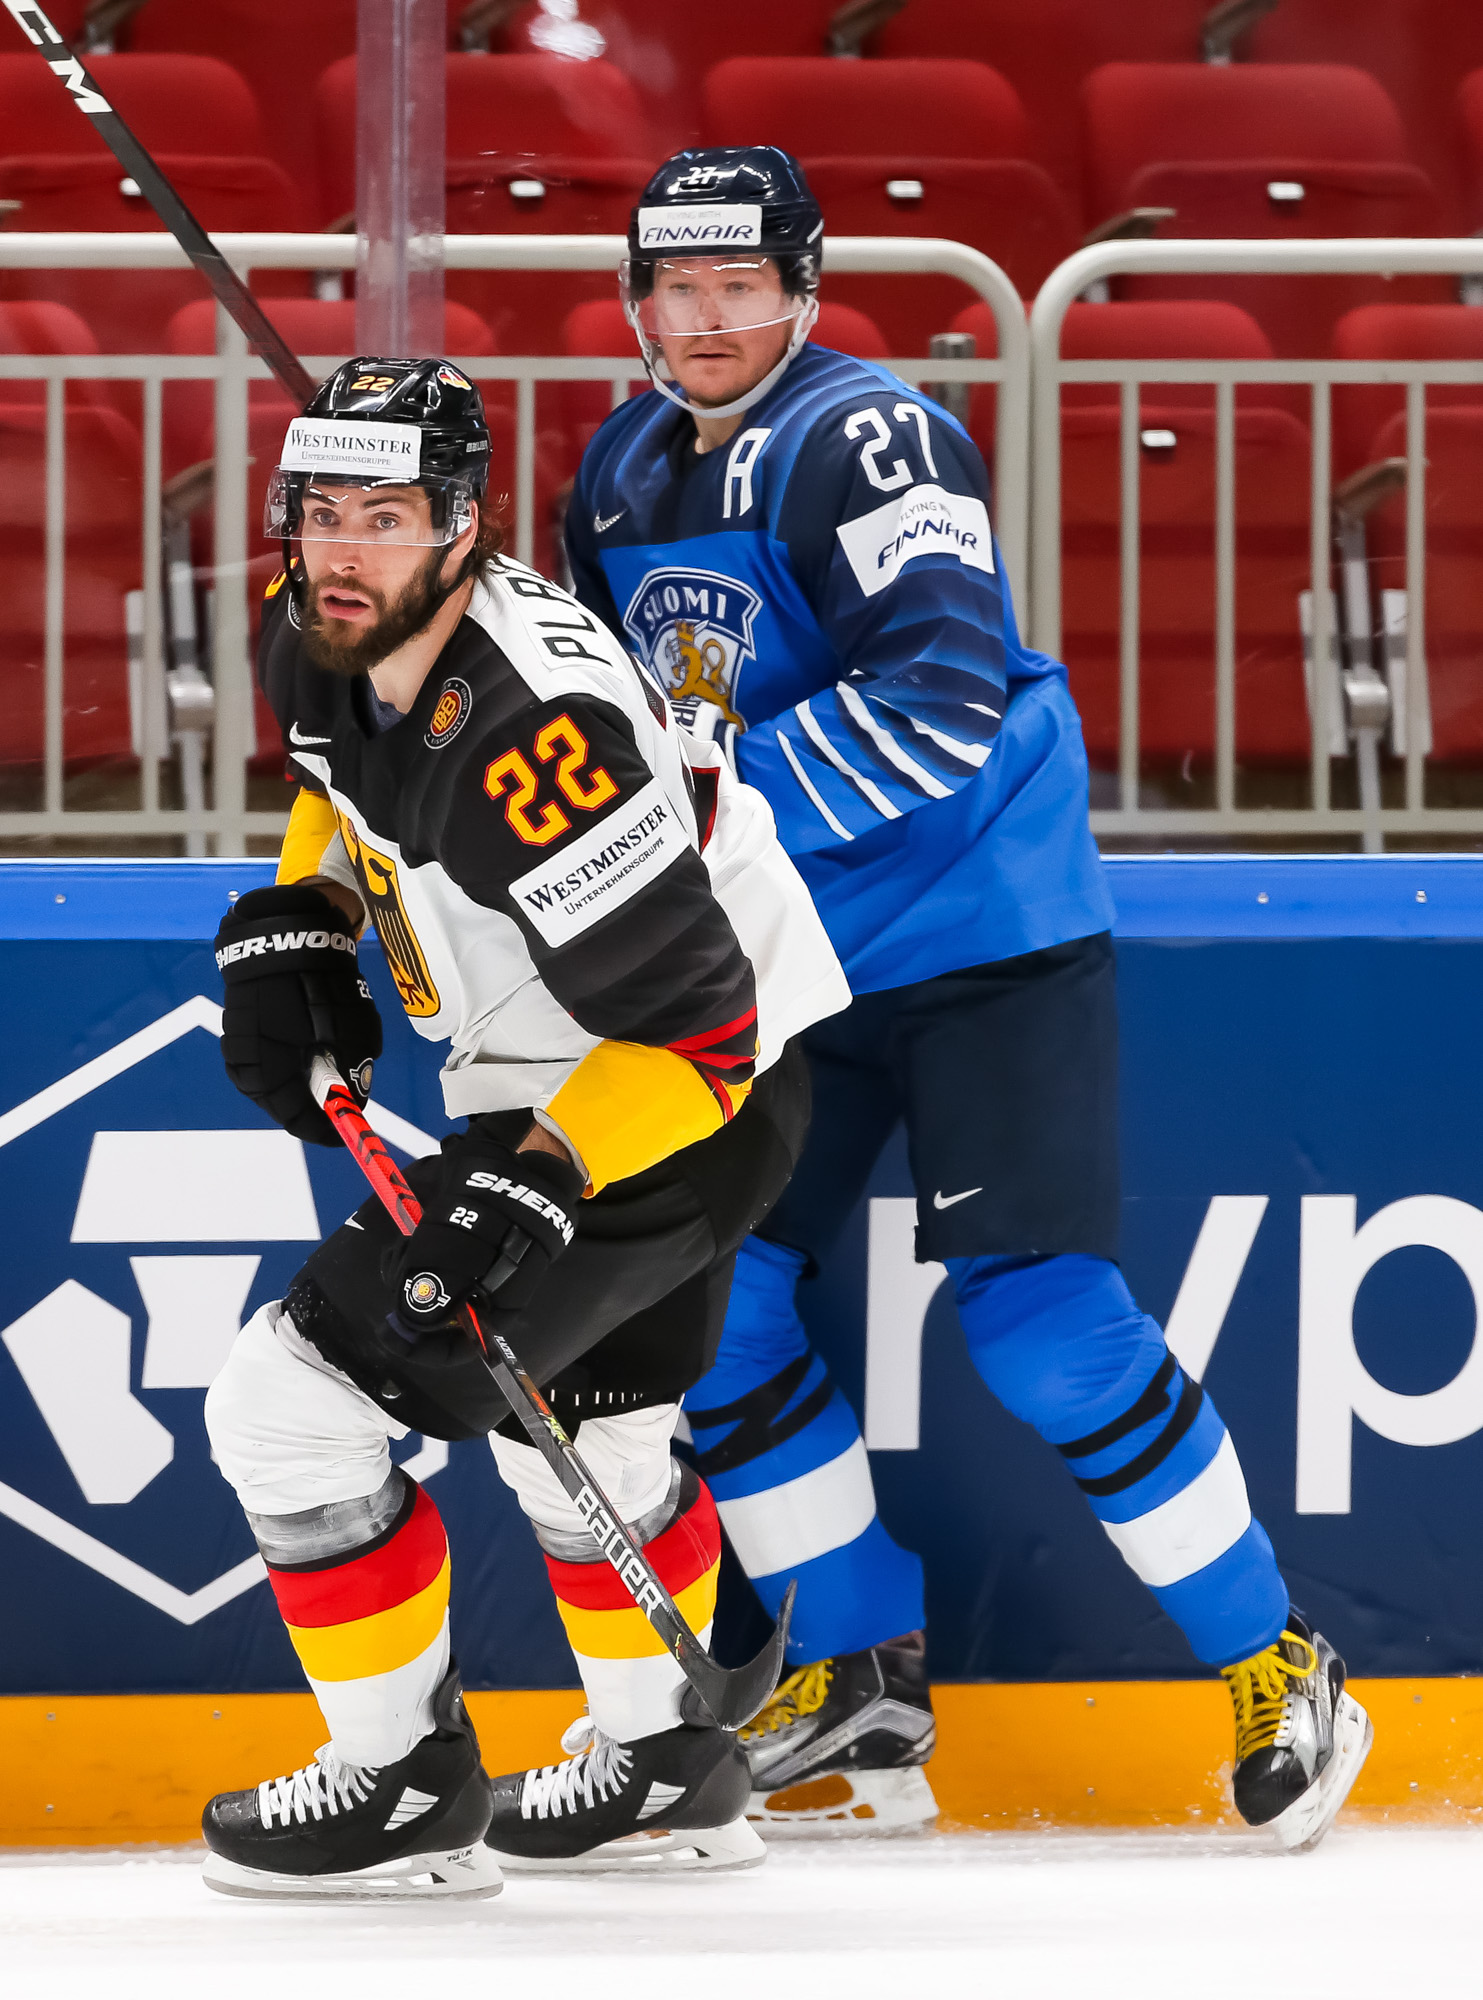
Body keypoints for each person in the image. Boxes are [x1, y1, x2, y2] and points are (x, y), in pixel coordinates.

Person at [563, 146, 1374, 1849]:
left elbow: (934, 701)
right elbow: (603, 712)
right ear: (637, 293)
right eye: (673, 285)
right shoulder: (623, 467)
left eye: (738, 283)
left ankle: (1278, 1660)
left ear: (802, 281)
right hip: (797, 955)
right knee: (720, 1306)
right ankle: (859, 1675)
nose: (703, 319)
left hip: (980, 931)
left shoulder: (868, 436)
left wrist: (692, 811)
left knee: (1042, 1320)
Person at [198, 354, 849, 1897]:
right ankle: (670, 1771)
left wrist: (535, 1186)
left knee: (285, 1410)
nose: (340, 549)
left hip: (666, 1093)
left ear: (468, 526)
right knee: (598, 1431)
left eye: (386, 515)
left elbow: (699, 1028)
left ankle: (404, 1788)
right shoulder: (327, 624)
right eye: (319, 510)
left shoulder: (532, 741)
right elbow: (338, 785)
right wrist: (305, 916)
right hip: (618, 1069)